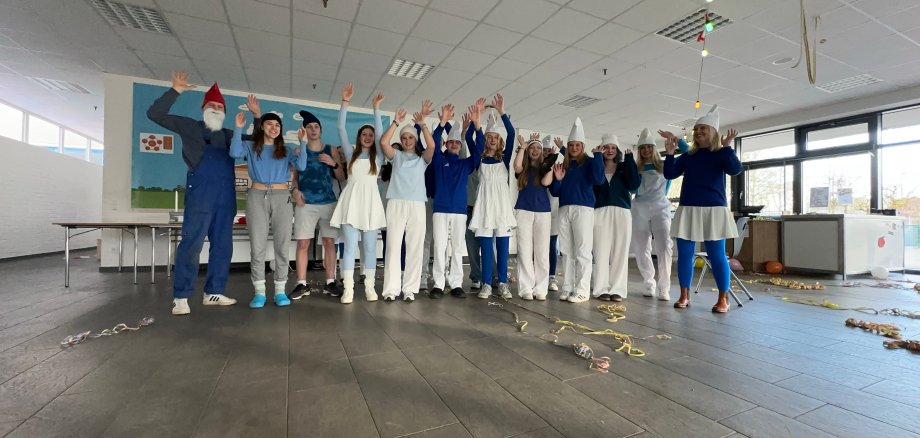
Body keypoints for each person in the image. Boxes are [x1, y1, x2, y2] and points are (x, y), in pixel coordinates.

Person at [147, 70, 238, 316]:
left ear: (225, 112)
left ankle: (214, 292)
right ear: (203, 108)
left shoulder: (231, 136)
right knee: (191, 244)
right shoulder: (190, 126)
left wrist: (260, 118)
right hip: (200, 195)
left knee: (223, 246)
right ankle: (181, 296)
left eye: (220, 106)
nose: (216, 109)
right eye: (212, 105)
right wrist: (175, 90)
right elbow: (155, 114)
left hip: (226, 197)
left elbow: (259, 143)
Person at [663, 105, 742, 313]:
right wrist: (670, 154)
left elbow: (735, 169)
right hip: (688, 208)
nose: (698, 132)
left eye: (702, 129)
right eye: (696, 129)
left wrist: (727, 147)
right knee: (685, 254)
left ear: (712, 131)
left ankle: (723, 298)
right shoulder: (688, 156)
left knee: (716, 255)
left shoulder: (721, 153)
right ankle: (684, 295)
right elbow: (670, 174)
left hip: (714, 209)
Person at [230, 101, 308, 309]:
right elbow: (234, 153)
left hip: (282, 197)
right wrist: (238, 128)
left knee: (282, 244)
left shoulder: (286, 150)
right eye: (270, 124)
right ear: (262, 127)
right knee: (258, 246)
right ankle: (260, 293)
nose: (274, 128)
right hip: (257, 195)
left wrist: (303, 143)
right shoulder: (251, 147)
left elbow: (301, 165)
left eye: (277, 125)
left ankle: (280, 291)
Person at [330, 84, 386, 304]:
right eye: (364, 134)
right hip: (351, 203)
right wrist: (345, 102)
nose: (368, 137)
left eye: (370, 134)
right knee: (350, 247)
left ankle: (370, 287)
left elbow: (380, 133)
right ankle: (349, 289)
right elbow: (341, 128)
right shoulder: (350, 153)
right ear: (359, 136)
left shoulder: (378, 156)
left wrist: (376, 109)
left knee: (370, 248)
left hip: (370, 204)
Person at [380, 102, 436, 301]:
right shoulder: (396, 156)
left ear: (415, 139)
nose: (407, 140)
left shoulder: (422, 160)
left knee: (415, 247)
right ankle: (390, 290)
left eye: (410, 137)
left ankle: (410, 289)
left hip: (417, 205)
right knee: (393, 247)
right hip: (396, 203)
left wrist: (422, 124)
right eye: (404, 138)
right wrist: (396, 122)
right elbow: (384, 143)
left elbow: (432, 146)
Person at [288, 106, 346, 300]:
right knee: (303, 243)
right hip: (306, 204)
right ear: (304, 130)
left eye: (316, 126)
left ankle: (330, 282)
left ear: (320, 129)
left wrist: (333, 163)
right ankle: (301, 284)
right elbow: (294, 178)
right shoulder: (299, 150)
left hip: (328, 202)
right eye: (309, 127)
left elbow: (341, 176)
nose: (313, 130)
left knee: (329, 242)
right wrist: (295, 190)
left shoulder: (331, 150)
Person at [429, 104, 484, 299]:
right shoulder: (438, 161)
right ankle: (438, 284)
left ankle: (456, 283)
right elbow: (433, 142)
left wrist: (477, 126)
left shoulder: (465, 164)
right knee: (440, 247)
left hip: (460, 212)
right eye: (450, 142)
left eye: (456, 143)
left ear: (460, 146)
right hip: (440, 210)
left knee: (458, 248)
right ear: (446, 144)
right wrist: (442, 122)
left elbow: (479, 150)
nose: (454, 145)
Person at [550, 117, 604, 303]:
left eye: (577, 145)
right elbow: (555, 192)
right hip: (564, 209)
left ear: (583, 146)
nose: (574, 148)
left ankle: (582, 290)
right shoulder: (564, 165)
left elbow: (599, 179)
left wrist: (598, 156)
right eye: (571, 145)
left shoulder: (589, 162)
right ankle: (568, 287)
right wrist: (558, 179)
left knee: (582, 251)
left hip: (583, 209)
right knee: (566, 251)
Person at [631, 128, 688, 302]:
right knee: (641, 247)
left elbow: (689, 154)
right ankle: (649, 282)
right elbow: (631, 188)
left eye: (649, 147)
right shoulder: (635, 168)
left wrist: (675, 139)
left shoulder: (665, 165)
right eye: (642, 148)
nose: (646, 150)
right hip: (639, 207)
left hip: (660, 207)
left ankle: (664, 287)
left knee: (664, 247)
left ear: (654, 148)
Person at [468, 95, 516, 300]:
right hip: (485, 206)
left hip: (502, 207)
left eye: (496, 137)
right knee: (486, 248)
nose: (493, 139)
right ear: (485, 139)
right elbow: (469, 139)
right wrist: (477, 118)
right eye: (489, 136)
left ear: (500, 140)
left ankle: (503, 282)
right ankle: (486, 283)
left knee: (503, 248)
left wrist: (501, 112)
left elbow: (512, 133)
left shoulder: (505, 158)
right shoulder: (478, 158)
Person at [592, 134, 640, 302]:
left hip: (622, 211)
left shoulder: (624, 166)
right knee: (600, 250)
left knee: (620, 251)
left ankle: (617, 288)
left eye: (613, 147)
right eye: (606, 147)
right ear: (601, 149)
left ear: (617, 150)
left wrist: (630, 161)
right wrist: (596, 158)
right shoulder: (596, 165)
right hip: (600, 211)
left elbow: (634, 185)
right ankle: (601, 288)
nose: (610, 150)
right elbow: (592, 181)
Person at [513, 132, 554, 300]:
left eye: (538, 148)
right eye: (532, 148)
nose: (535, 150)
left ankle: (541, 288)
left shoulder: (545, 168)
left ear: (542, 151)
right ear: (528, 151)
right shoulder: (523, 169)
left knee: (542, 252)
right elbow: (516, 166)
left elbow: (546, 182)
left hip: (543, 212)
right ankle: (525, 288)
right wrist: (523, 147)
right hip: (523, 211)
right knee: (524, 250)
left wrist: (550, 163)